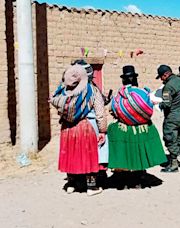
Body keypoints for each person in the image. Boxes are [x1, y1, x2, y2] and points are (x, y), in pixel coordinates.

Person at [50, 65, 107, 196]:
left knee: (71, 154)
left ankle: (71, 184)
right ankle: (91, 187)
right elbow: (100, 113)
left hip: (67, 128)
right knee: (89, 155)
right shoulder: (91, 91)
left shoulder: (62, 92)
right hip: (85, 126)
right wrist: (102, 130)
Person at [107, 65, 167, 189]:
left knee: (126, 152)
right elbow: (149, 109)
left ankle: (123, 179)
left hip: (124, 128)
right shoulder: (142, 93)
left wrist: (125, 116)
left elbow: (113, 110)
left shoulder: (118, 96)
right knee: (139, 152)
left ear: (123, 80)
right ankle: (138, 180)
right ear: (135, 79)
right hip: (142, 128)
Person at [156, 65, 180, 172]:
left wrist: (159, 104)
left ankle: (173, 163)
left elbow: (167, 104)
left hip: (172, 117)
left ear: (166, 74)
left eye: (161, 77)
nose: (161, 79)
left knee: (170, 138)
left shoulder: (168, 87)